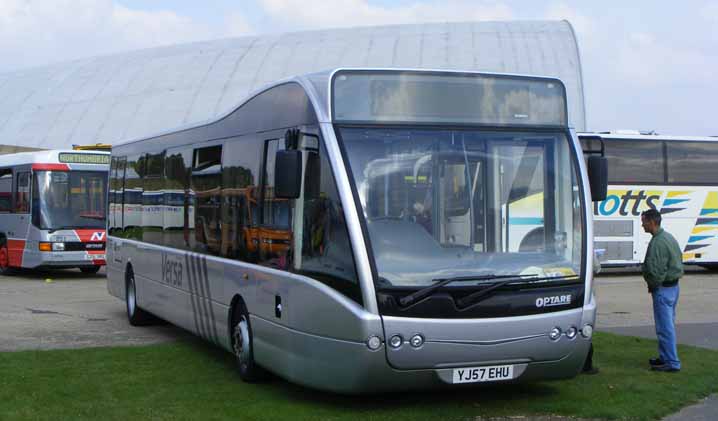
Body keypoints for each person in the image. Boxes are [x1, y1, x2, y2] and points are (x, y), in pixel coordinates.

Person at [641, 208, 683, 372]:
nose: (642, 225)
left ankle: (671, 362)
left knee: (664, 328)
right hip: (673, 287)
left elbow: (656, 271)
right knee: (667, 325)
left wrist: (652, 284)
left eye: (643, 222)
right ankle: (664, 357)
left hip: (663, 289)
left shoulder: (658, 242)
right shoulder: (668, 237)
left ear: (651, 222)